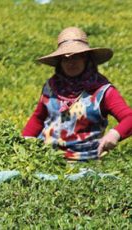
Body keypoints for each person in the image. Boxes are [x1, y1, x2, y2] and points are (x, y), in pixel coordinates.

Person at [22, 27, 132, 161]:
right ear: (59, 62)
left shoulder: (102, 90)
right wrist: (24, 143)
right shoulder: (51, 86)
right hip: (46, 157)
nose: (71, 63)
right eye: (66, 58)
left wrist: (115, 134)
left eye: (77, 56)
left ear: (87, 59)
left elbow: (129, 118)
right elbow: (38, 118)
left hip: (84, 161)